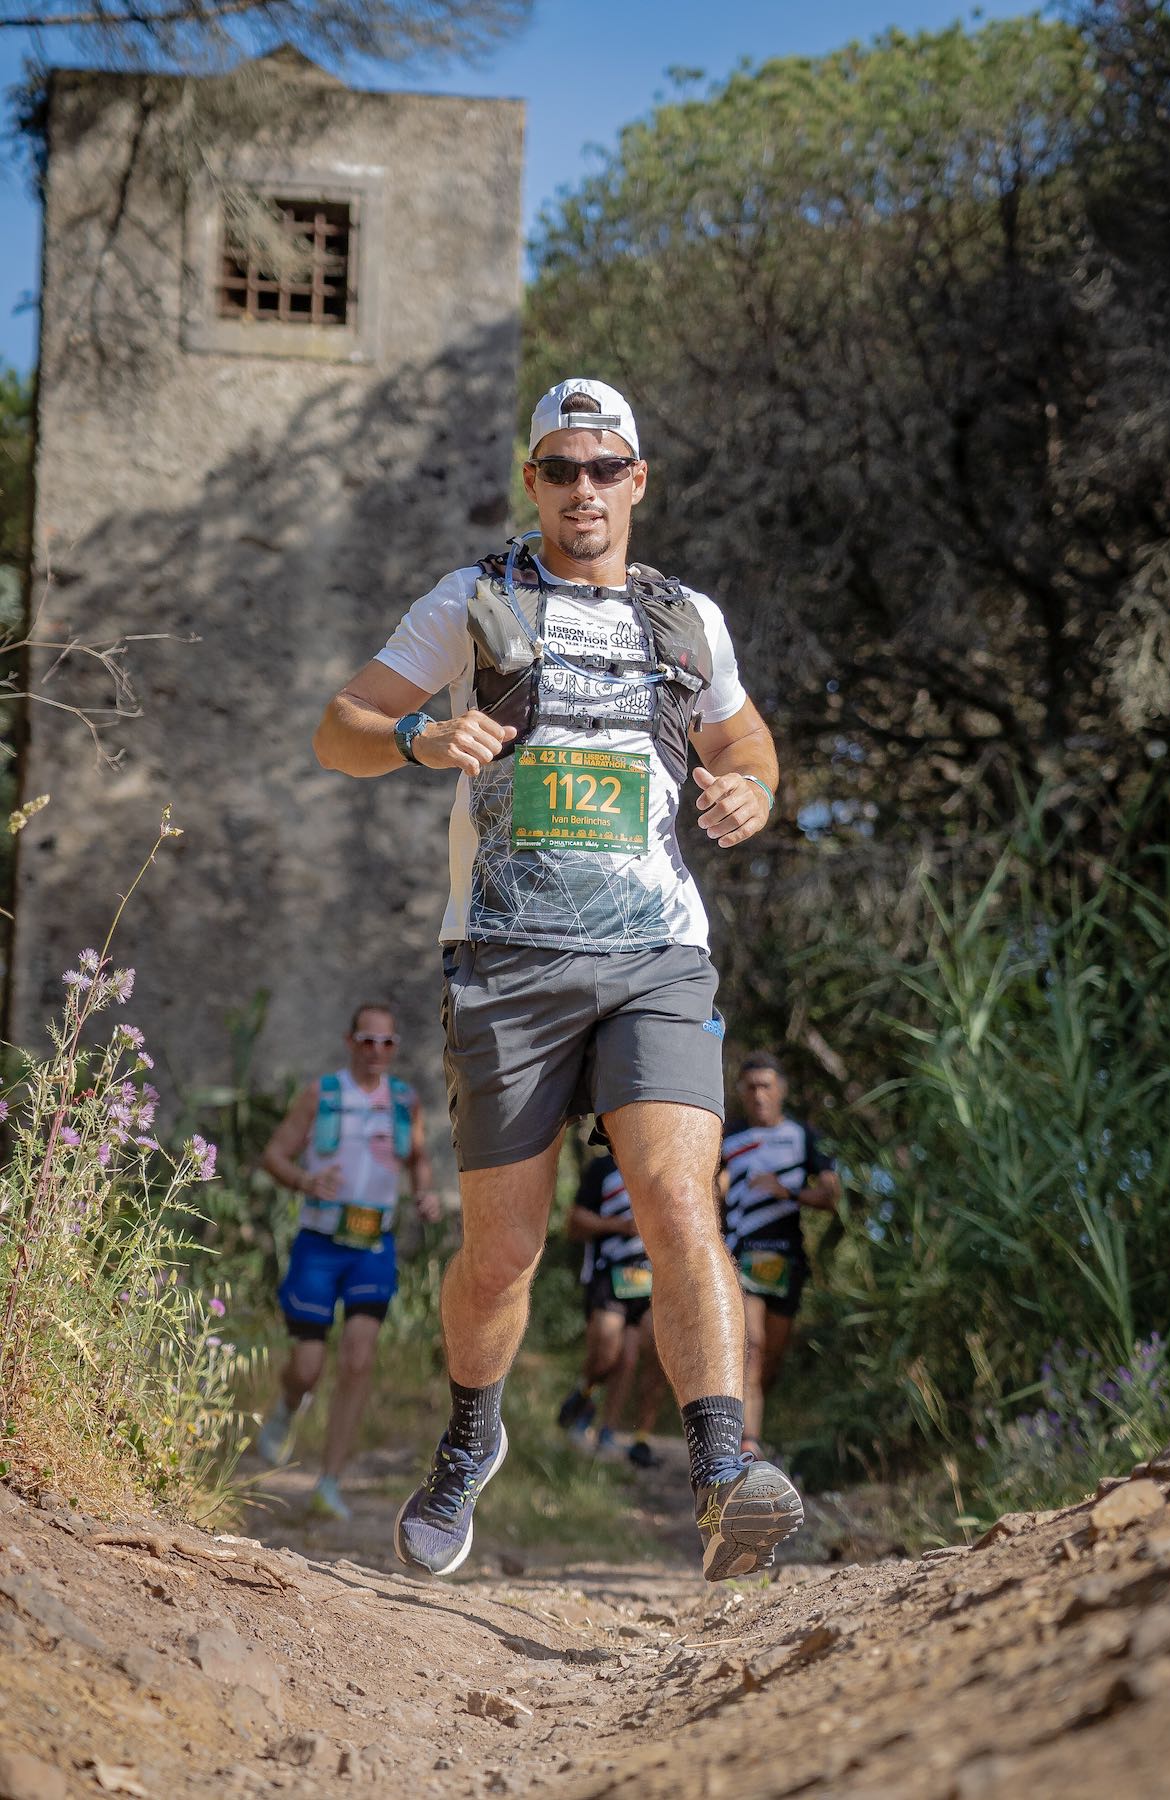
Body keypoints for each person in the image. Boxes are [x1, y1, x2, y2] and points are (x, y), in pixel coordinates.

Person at [313, 376, 804, 1581]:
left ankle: (723, 1474)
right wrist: (420, 737)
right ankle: (471, 1435)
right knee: (504, 1256)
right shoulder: (472, 600)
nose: (584, 489)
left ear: (638, 481)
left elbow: (742, 736)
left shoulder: (686, 618)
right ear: (533, 482)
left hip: (656, 957)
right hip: (506, 961)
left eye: (605, 468)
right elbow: (340, 727)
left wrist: (754, 786)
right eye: (561, 469)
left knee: (679, 1202)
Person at [256, 1003, 440, 1520]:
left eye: (387, 1043)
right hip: (319, 1242)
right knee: (308, 1366)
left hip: (374, 1247)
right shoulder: (322, 1094)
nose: (377, 1051)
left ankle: (329, 1481)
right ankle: (289, 1406)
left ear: (395, 1048)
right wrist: (304, 1180)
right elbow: (274, 1155)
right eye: (367, 1041)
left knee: (358, 1359)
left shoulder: (405, 1101)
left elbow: (418, 1160)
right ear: (350, 1042)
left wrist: (425, 1194)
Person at [722, 1053, 841, 1460]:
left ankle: (752, 1424)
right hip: (742, 1254)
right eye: (750, 1086)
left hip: (786, 1260)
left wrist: (786, 1192)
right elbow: (708, 1186)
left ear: (781, 1090)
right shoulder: (727, 1137)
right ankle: (747, 1445)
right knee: (751, 1347)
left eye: (766, 1086)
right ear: (740, 1092)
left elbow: (831, 1197)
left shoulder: (804, 1136)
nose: (758, 1094)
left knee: (770, 1358)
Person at [557, 1151, 666, 1468]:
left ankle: (609, 1431)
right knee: (607, 1350)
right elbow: (574, 1222)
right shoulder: (602, 1168)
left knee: (632, 1358)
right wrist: (620, 1225)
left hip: (648, 1279)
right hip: (608, 1273)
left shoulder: (662, 1164)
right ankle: (583, 1394)